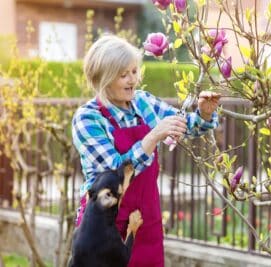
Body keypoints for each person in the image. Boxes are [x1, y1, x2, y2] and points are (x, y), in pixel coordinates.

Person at [71, 34, 220, 267]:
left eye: (134, 71)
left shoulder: (143, 103)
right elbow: (115, 173)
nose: (132, 80)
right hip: (102, 229)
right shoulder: (88, 118)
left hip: (145, 221)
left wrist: (204, 114)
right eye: (123, 75)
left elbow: (184, 124)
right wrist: (152, 136)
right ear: (105, 78)